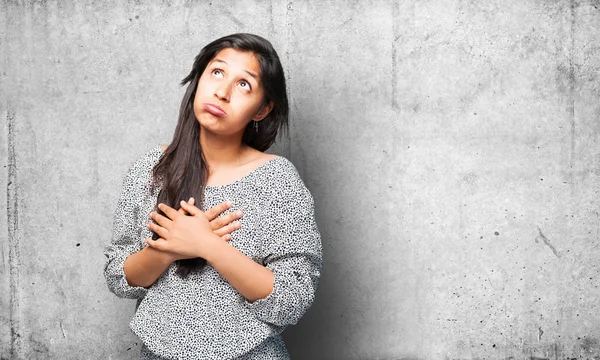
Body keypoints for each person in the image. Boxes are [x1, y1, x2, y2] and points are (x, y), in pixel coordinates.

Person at [103, 33, 322, 359]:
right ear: (199, 79)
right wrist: (169, 249)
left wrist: (208, 246)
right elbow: (118, 276)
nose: (222, 92)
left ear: (262, 109)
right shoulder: (152, 168)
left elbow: (293, 298)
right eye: (217, 72)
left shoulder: (278, 180)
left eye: (244, 84)